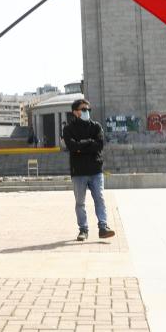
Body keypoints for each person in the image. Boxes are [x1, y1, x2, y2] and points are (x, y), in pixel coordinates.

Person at [61, 99, 116, 241]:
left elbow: (99, 145)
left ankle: (103, 227)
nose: (86, 112)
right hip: (78, 171)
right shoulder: (68, 129)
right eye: (83, 109)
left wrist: (81, 146)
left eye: (88, 109)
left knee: (100, 198)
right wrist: (89, 143)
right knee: (80, 202)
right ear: (75, 112)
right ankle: (83, 230)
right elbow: (72, 147)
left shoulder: (96, 126)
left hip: (95, 170)